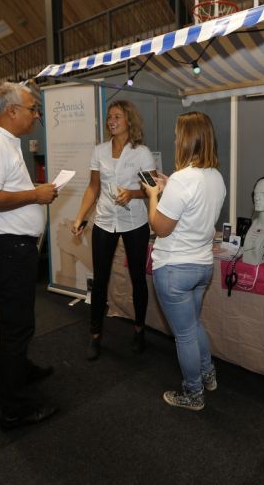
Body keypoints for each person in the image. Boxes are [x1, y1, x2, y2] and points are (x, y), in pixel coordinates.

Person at [0, 81, 58, 431]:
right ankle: (14, 407)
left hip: (12, 249)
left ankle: (21, 372)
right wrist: (35, 195)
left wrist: (32, 191)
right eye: (33, 109)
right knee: (16, 328)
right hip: (7, 251)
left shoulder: (4, 142)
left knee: (20, 322)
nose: (36, 115)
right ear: (12, 111)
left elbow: (1, 191)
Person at [141, 111, 226, 411]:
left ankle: (193, 393)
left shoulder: (182, 179)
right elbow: (194, 210)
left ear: (187, 139)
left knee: (185, 335)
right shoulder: (215, 177)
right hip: (203, 266)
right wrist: (169, 188)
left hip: (175, 268)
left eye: (178, 135)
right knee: (193, 325)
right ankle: (207, 373)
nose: (176, 139)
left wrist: (153, 195)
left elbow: (159, 227)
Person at [70, 100, 156, 360]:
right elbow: (93, 187)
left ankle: (139, 330)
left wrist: (131, 193)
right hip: (105, 221)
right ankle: (95, 335)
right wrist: (80, 217)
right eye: (109, 117)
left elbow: (152, 189)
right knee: (100, 279)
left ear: (129, 120)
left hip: (134, 222)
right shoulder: (99, 151)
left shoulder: (142, 153)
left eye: (117, 116)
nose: (111, 121)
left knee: (138, 278)